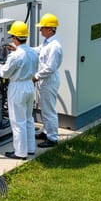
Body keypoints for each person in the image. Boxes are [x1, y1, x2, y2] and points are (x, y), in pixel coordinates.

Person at [0, 21, 39, 160]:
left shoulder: (15, 56)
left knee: (17, 121)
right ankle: (30, 148)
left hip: (18, 87)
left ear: (15, 38)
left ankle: (20, 152)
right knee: (28, 118)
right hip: (29, 85)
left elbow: (4, 73)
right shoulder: (32, 52)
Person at [34, 13, 62, 148]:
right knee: (44, 109)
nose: (40, 30)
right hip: (45, 81)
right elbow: (38, 51)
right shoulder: (47, 43)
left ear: (50, 29)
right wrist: (20, 49)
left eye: (42, 28)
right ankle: (46, 132)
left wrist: (37, 76)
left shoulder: (54, 46)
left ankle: (52, 138)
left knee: (49, 110)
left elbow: (50, 68)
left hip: (48, 81)